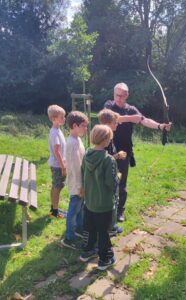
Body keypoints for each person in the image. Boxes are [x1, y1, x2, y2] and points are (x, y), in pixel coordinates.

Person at [104, 82, 172, 222]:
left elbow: (144, 120)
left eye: (122, 96)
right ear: (113, 94)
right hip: (107, 150)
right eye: (117, 95)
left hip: (124, 151)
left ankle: (119, 211)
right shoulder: (109, 105)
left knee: (121, 183)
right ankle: (105, 209)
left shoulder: (131, 109)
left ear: (127, 95)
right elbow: (110, 118)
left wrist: (160, 126)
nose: (119, 98)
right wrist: (131, 118)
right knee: (106, 181)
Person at [79, 125, 119, 270]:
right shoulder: (108, 160)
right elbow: (111, 182)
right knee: (103, 231)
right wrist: (117, 179)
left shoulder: (86, 155)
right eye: (109, 138)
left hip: (89, 201)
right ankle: (105, 259)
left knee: (89, 228)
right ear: (106, 140)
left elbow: (82, 175)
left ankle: (87, 251)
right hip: (104, 204)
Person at [61, 111, 89, 249]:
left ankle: (79, 229)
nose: (86, 128)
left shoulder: (77, 139)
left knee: (80, 208)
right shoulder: (71, 143)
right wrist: (80, 186)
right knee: (73, 210)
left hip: (81, 182)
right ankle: (68, 238)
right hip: (76, 184)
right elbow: (74, 168)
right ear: (74, 125)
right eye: (84, 125)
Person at [98, 109, 128, 236]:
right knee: (110, 201)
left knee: (113, 200)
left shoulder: (108, 137)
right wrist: (117, 156)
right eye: (115, 122)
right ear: (108, 123)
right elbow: (103, 159)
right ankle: (109, 228)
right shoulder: (104, 139)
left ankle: (111, 225)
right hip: (107, 177)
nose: (117, 124)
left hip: (110, 173)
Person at [47, 105, 66, 218]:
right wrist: (63, 167)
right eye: (62, 117)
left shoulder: (57, 130)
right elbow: (57, 151)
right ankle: (55, 212)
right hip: (58, 165)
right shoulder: (54, 133)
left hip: (58, 165)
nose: (64, 119)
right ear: (54, 118)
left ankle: (54, 208)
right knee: (57, 187)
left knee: (55, 186)